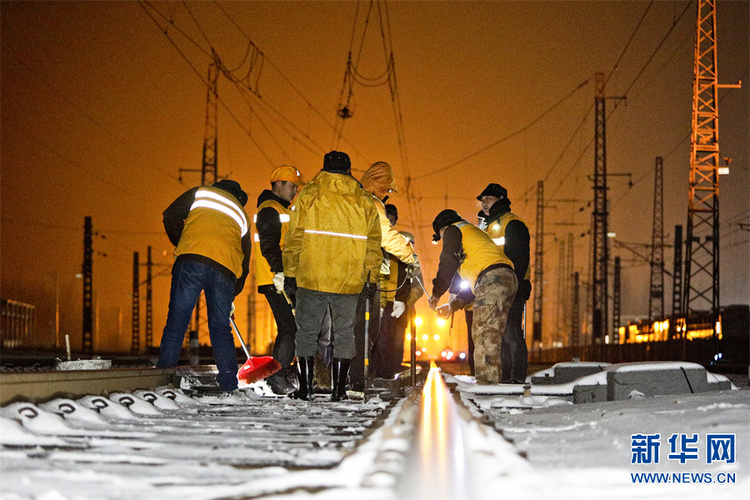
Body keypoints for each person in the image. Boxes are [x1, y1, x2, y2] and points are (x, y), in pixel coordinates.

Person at [282, 151, 381, 401]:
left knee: (306, 333)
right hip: (349, 279)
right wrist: (371, 276)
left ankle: (305, 389)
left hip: (311, 276)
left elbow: (294, 237)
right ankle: (339, 392)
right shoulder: (363, 199)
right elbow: (373, 243)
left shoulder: (309, 193)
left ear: (323, 169)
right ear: (349, 170)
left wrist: (291, 272)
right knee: (345, 334)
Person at [157, 179, 251, 392]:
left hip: (191, 260)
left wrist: (183, 242)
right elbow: (245, 261)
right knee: (220, 328)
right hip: (224, 270)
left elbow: (169, 216)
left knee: (177, 322)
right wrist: (232, 294)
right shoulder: (243, 216)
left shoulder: (201, 192)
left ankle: (162, 379)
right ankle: (228, 383)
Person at [428, 209, 517, 385]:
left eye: (441, 237)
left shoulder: (454, 230)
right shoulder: (472, 235)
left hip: (492, 279)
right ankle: (496, 381)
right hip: (505, 278)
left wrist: (436, 293)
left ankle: (487, 385)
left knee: (483, 333)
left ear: (443, 229)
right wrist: (452, 305)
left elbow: (447, 262)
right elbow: (476, 287)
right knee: (493, 333)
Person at [354, 162, 419, 390]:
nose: (387, 194)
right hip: (364, 282)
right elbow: (387, 240)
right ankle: (361, 378)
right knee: (368, 335)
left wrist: (403, 300)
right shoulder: (371, 205)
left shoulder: (349, 201)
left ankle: (358, 377)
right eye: (387, 190)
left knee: (365, 333)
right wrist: (411, 256)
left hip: (353, 278)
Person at [253, 165, 304, 395]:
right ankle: (277, 376)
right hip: (275, 279)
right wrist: (279, 272)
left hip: (282, 278)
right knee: (290, 327)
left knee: (289, 327)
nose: (295, 191)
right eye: (292, 186)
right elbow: (269, 244)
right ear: (278, 184)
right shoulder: (269, 210)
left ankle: (278, 374)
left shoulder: (284, 210)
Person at [477, 183, 531, 384]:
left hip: (511, 287)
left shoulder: (512, 223)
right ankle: (506, 376)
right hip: (493, 289)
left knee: (512, 334)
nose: (483, 203)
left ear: (500, 200)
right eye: (482, 200)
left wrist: (515, 286)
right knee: (500, 335)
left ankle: (516, 378)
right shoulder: (488, 227)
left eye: (488, 199)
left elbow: (519, 258)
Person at [371, 204, 419, 379]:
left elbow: (405, 275)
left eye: (392, 220)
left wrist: (402, 298)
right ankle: (379, 372)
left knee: (389, 339)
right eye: (387, 219)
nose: (389, 223)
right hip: (377, 298)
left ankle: (385, 372)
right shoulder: (374, 240)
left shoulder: (396, 243)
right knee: (379, 339)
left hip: (391, 299)